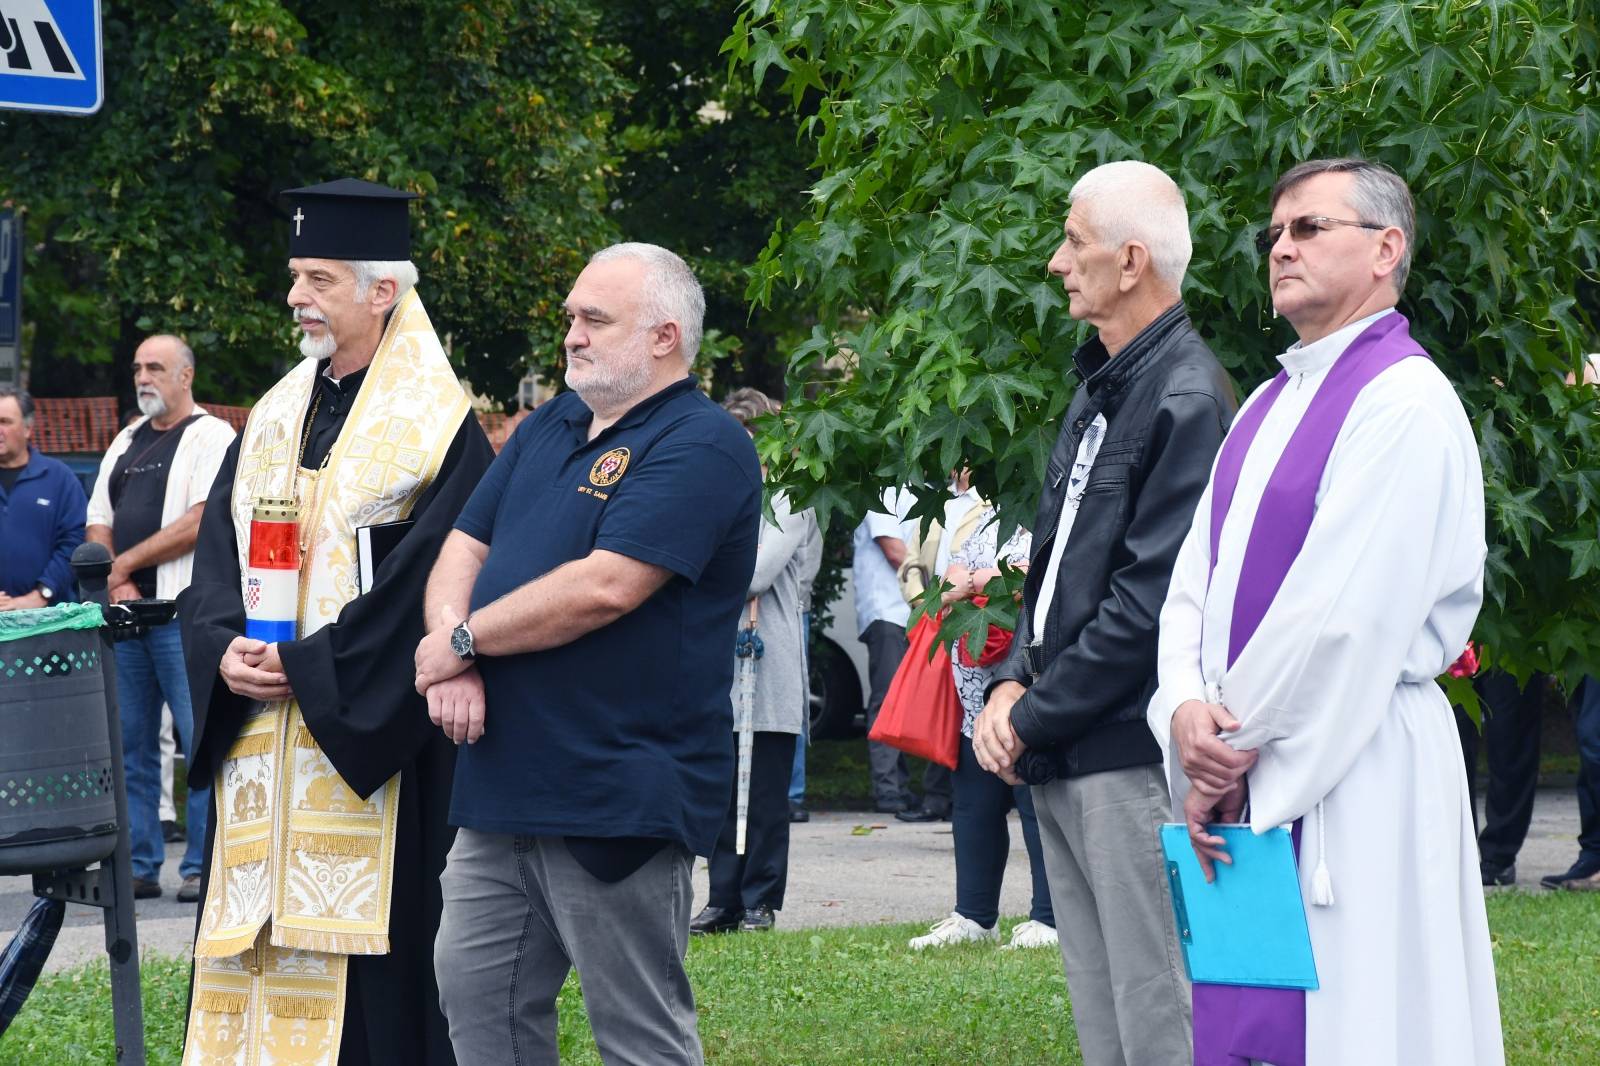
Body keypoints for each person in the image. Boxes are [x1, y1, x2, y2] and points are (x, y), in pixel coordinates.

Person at [1149, 158, 1503, 1065]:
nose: (1281, 247)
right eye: (1274, 233)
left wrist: (1226, 756)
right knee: (1255, 1027)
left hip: (1357, 766)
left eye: (1309, 227)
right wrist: (1185, 709)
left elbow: (1339, 617)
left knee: (1365, 1020)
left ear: (1387, 249)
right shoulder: (1268, 400)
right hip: (1254, 759)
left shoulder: (1406, 401)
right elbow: (1198, 578)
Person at [178, 179, 495, 1066]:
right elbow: (215, 563)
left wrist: (316, 670)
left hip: (370, 752)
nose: (295, 298)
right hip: (262, 745)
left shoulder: (441, 431)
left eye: (318, 279)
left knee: (373, 1002)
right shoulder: (275, 413)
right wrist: (223, 652)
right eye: (296, 276)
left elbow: (431, 582)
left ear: (381, 291)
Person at [417, 242, 760, 1065]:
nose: (571, 334)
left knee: (638, 1034)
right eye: (571, 316)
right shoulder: (551, 425)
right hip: (501, 791)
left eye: (595, 319)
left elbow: (606, 586)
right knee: (478, 1008)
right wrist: (452, 652)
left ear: (664, 337)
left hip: (617, 794)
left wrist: (462, 640)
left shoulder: (703, 442)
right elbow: (463, 544)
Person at [971, 160, 1234, 1065]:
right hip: (1066, 744)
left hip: (1126, 755)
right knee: (1101, 1008)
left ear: (1130, 262)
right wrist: (1009, 686)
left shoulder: (1187, 396)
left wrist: (1029, 713)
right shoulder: (1099, 386)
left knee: (1159, 1008)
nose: (1056, 262)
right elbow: (1054, 575)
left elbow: (1147, 604)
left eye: (1074, 241)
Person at [86, 334, 236, 904]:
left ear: (186, 376)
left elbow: (201, 519)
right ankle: (141, 865)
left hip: (183, 617)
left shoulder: (211, 436)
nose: (143, 377)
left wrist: (121, 562)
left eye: (156, 367)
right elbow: (98, 516)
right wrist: (114, 577)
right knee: (130, 747)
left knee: (200, 740)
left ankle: (200, 865)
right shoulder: (125, 440)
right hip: (125, 618)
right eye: (137, 368)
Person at [906, 473, 1057, 951]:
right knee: (974, 803)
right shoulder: (981, 520)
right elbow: (946, 588)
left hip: (1030, 686)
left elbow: (1027, 588)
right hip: (972, 690)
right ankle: (973, 913)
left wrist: (979, 581)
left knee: (1035, 805)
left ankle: (1050, 916)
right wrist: (978, 581)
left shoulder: (1049, 513)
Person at [691, 387, 818, 934]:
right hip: (723, 652)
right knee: (722, 782)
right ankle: (723, 897)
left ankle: (760, 896)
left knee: (764, 784)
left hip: (770, 653)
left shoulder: (790, 497)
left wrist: (707, 567)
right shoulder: (718, 495)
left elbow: (756, 572)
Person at [853, 489, 953, 819]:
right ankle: (889, 790)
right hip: (889, 610)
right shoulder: (882, 489)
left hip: (923, 609)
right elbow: (896, 552)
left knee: (927, 698)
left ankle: (919, 790)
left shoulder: (931, 488)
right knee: (888, 698)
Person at [0, 385, 86, 611]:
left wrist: (41, 594)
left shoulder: (59, 479)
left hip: (46, 622)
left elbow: (74, 542)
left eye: (5, 422)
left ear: (28, 428)